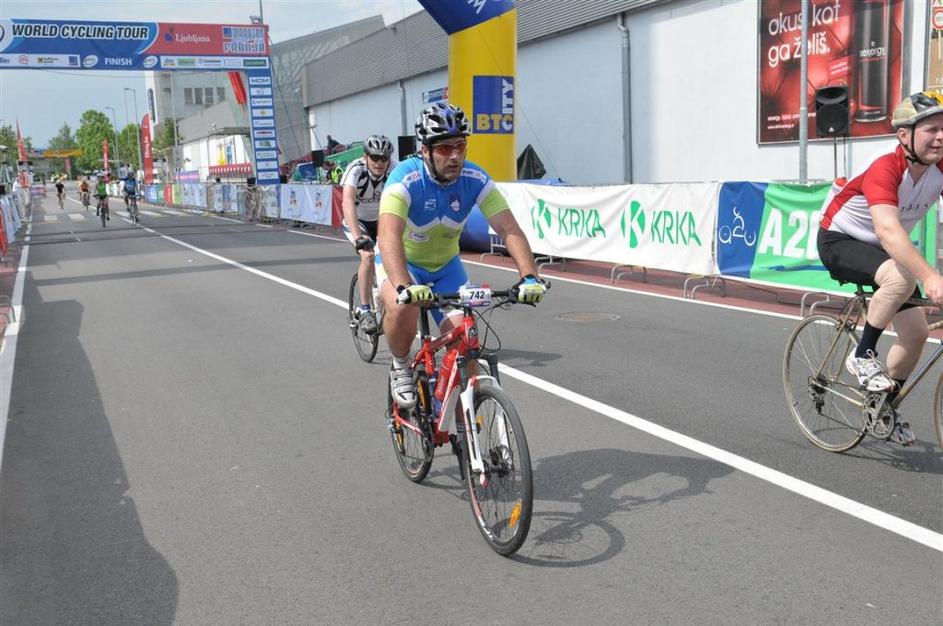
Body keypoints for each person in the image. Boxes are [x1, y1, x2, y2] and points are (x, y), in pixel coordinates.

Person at [377, 102, 547, 408]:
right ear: (425, 151)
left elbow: (509, 229)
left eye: (460, 146)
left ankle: (466, 427)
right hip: (404, 265)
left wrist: (529, 277)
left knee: (466, 348)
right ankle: (400, 365)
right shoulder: (405, 178)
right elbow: (388, 234)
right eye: (445, 148)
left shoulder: (475, 178)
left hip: (446, 268)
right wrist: (403, 284)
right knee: (403, 308)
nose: (455, 155)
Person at [816, 90, 943, 446]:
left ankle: (881, 407)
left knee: (916, 334)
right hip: (840, 239)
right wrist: (930, 276)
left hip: (882, 249)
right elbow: (887, 230)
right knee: (902, 277)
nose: (941, 137)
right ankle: (862, 354)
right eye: (932, 129)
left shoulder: (939, 168)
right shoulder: (885, 166)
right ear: (904, 135)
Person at [341, 135, 397, 333]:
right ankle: (365, 310)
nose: (379, 163)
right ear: (366, 157)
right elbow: (347, 202)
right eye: (375, 158)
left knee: (395, 257)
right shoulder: (356, 169)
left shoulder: (395, 169)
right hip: (357, 220)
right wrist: (358, 237)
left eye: (384, 158)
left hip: (382, 219)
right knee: (368, 256)